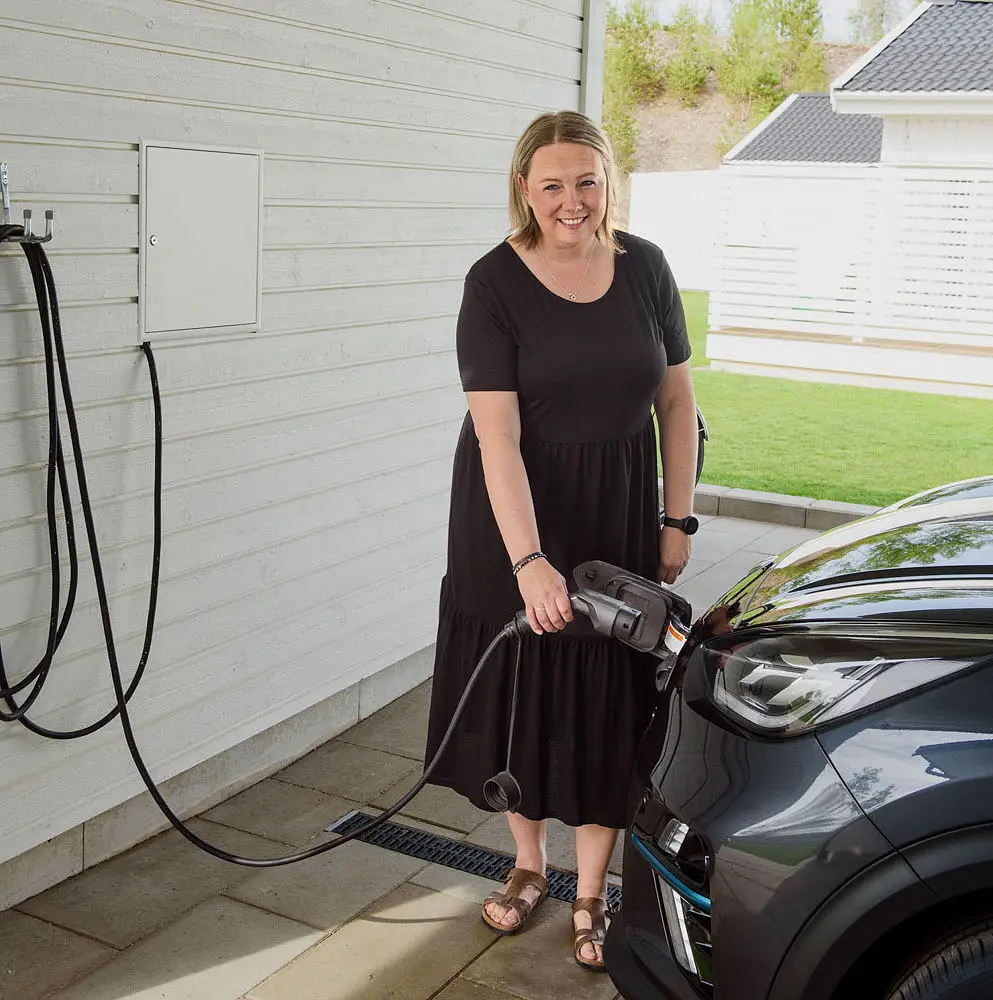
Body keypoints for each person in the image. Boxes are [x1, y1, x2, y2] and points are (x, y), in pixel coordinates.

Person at [423, 110, 698, 972]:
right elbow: (494, 437)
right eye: (551, 184)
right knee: (523, 687)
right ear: (523, 189)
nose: (570, 200)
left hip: (615, 506)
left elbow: (679, 404)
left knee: (607, 689)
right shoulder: (492, 282)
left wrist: (675, 517)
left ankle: (590, 888)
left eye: (585, 180)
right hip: (513, 516)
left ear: (609, 180)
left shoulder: (646, 266)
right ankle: (526, 864)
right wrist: (528, 561)